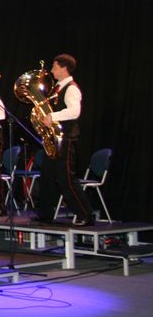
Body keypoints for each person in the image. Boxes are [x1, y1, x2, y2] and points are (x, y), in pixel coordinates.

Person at [36, 54, 95, 226]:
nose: (52, 70)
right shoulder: (57, 88)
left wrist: (52, 116)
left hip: (66, 139)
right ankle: (45, 214)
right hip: (54, 140)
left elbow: (74, 111)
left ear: (64, 68)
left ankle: (86, 215)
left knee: (66, 179)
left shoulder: (71, 88)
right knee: (47, 177)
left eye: (54, 67)